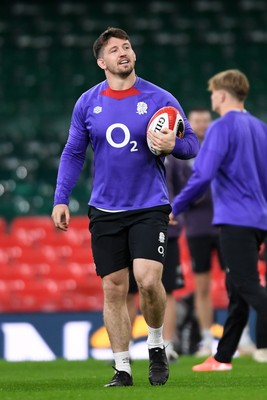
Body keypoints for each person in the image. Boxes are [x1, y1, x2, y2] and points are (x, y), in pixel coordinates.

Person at [51, 27, 199, 386]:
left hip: (149, 204)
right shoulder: (88, 102)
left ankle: (155, 345)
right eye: (114, 49)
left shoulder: (160, 97)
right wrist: (60, 198)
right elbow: (73, 153)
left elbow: (192, 144)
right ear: (101, 61)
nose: (123, 52)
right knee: (114, 288)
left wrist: (171, 145)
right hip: (105, 208)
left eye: (127, 47)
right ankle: (122, 368)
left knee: (149, 281)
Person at [170, 69, 267, 371]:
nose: (212, 98)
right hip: (258, 220)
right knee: (236, 289)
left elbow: (202, 175)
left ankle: (227, 355)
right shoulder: (261, 128)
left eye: (213, 93)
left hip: (235, 220)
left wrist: (176, 206)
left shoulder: (220, 128)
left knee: (247, 285)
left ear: (222, 94)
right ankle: (223, 357)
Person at [182, 108, 255, 357]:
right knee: (201, 286)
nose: (202, 125)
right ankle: (205, 339)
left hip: (226, 223)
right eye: (197, 121)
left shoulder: (222, 146)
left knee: (235, 282)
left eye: (205, 120)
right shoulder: (182, 152)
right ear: (188, 124)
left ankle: (242, 337)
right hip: (197, 228)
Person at [127, 154, 186, 363]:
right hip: (127, 225)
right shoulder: (121, 148)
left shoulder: (173, 157)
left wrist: (174, 209)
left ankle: (166, 346)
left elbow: (183, 187)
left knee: (166, 288)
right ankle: (124, 349)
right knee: (127, 290)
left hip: (166, 230)